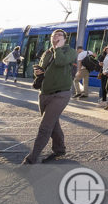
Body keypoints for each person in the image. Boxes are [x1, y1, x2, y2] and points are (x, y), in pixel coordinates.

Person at [22, 29, 77, 164]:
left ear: (65, 38)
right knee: (53, 123)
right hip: (44, 93)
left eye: (59, 35)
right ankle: (60, 149)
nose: (56, 37)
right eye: (54, 36)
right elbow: (42, 70)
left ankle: (32, 158)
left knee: (45, 126)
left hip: (61, 94)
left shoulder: (70, 52)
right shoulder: (47, 52)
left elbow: (61, 62)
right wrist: (38, 72)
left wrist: (58, 48)